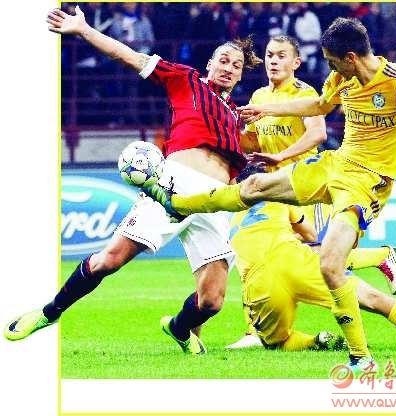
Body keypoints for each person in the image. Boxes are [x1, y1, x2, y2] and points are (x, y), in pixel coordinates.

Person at [140, 17, 396, 371]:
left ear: (350, 57)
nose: (329, 68)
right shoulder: (342, 78)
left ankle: (361, 357)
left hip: (366, 184)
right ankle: (174, 202)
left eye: (332, 61)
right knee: (254, 186)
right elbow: (320, 105)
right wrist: (266, 109)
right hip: (336, 164)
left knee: (329, 264)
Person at [4, 5, 262, 356]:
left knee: (212, 300)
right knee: (110, 260)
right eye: (224, 61)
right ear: (209, 64)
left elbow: (245, 155)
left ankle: (178, 328)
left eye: (236, 65)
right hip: (175, 185)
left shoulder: (234, 115)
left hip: (216, 200)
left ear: (241, 75)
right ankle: (48, 313)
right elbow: (130, 56)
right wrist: (84, 30)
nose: (229, 68)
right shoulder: (186, 80)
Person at [228, 35, 396, 350]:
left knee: (324, 256)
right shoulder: (259, 96)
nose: (273, 61)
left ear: (296, 62)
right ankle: (254, 332)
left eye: (281, 55)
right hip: (272, 190)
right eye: (270, 55)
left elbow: (318, 133)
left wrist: (281, 156)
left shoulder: (305, 94)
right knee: (260, 257)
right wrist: (226, 130)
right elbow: (252, 141)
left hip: (305, 189)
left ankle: (379, 257)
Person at [228, 167, 396, 354]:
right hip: (295, 262)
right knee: (376, 300)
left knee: (276, 343)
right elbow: (311, 235)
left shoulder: (231, 219)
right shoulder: (278, 201)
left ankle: (316, 341)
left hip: (260, 283)